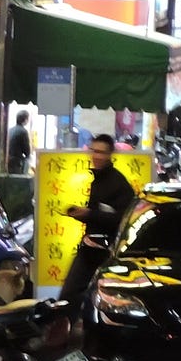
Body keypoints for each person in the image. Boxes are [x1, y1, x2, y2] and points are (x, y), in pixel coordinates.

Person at [59, 134, 137, 318]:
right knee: (69, 294)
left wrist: (89, 214)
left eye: (101, 152)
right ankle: (64, 328)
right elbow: (99, 214)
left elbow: (123, 219)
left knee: (102, 301)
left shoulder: (119, 185)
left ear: (110, 155)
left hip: (109, 253)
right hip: (90, 247)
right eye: (94, 151)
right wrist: (83, 214)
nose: (97, 156)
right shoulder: (97, 179)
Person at [6, 109, 32, 174]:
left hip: (8, 160)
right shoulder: (23, 131)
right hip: (17, 163)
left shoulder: (10, 130)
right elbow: (27, 151)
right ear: (25, 120)